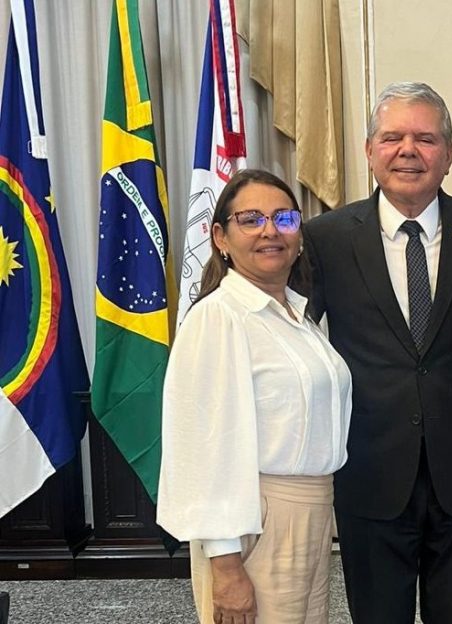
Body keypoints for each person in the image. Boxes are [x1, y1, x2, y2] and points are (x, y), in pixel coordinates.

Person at [303, 82, 452, 623]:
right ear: (369, 151)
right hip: (369, 470)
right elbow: (292, 340)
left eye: (426, 138)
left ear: (449, 154)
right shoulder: (324, 238)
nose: (408, 151)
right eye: (392, 137)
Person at [157, 169, 352, 624]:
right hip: (254, 521)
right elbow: (202, 451)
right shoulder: (219, 318)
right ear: (221, 237)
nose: (270, 230)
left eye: (284, 218)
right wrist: (226, 567)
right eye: (251, 219)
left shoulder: (298, 316)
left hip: (312, 510)